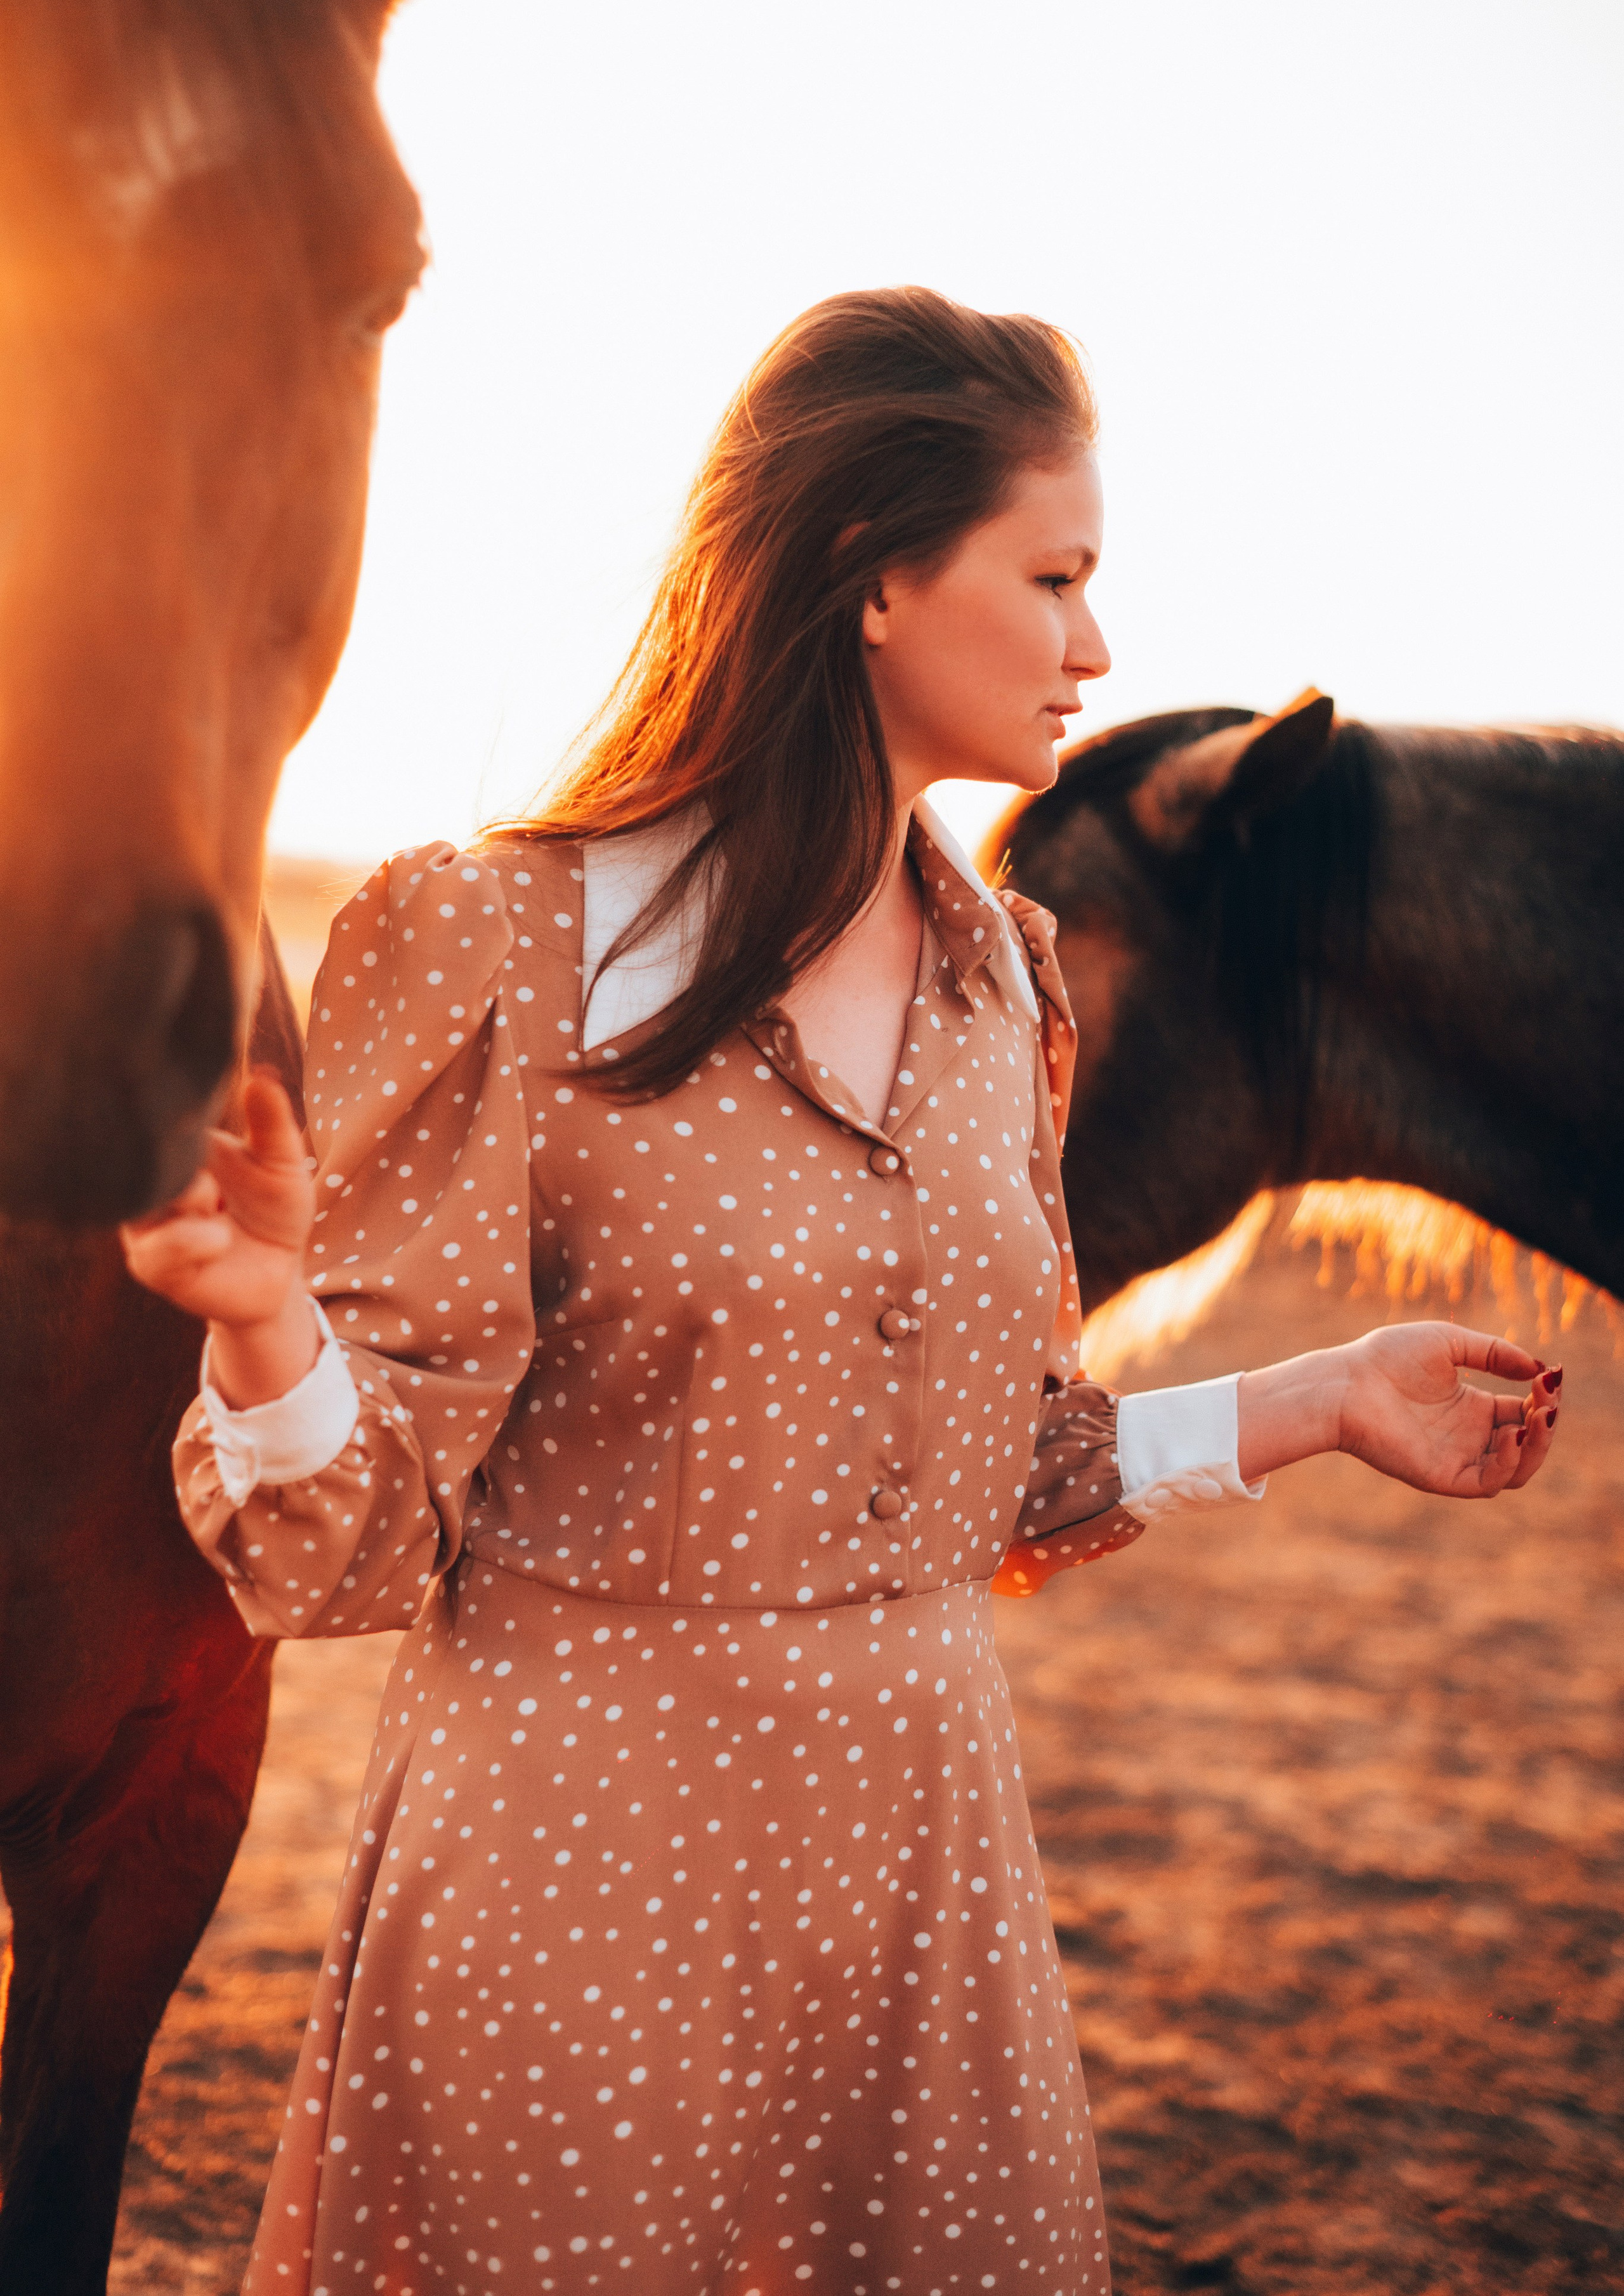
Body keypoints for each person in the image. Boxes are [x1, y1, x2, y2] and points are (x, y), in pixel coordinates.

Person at [122, 287, 1561, 2296]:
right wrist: (266, 1316)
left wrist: (1318, 1397)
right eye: (1054, 577)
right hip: (579, 1888)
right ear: (875, 574)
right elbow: (340, 1552)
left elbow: (991, 1472)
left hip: (921, 1890)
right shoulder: (501, 937)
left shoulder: (1007, 984)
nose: (1098, 646)